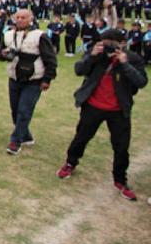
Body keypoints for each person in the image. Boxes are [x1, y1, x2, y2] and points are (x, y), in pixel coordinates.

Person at [56, 29, 147, 201]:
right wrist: (92, 55)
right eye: (105, 43)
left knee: (121, 146)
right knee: (81, 137)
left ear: (122, 43)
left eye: (112, 44)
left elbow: (141, 82)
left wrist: (124, 63)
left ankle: (120, 179)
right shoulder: (97, 54)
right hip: (93, 106)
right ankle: (70, 163)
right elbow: (79, 70)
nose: (108, 47)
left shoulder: (133, 58)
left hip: (119, 109)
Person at [0, 9, 57, 155]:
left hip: (33, 80)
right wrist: (3, 54)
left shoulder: (39, 36)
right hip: (14, 78)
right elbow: (0, 54)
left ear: (31, 19)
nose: (20, 20)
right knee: (15, 110)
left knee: (24, 110)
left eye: (23, 17)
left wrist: (47, 79)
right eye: (17, 17)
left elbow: (50, 59)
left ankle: (15, 141)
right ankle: (26, 135)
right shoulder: (8, 34)